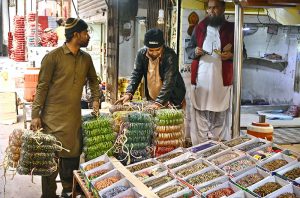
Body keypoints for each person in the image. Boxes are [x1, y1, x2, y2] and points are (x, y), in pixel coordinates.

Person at [30, 18, 100, 198]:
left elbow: (93, 80)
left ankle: (68, 193)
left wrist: (95, 100)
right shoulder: (53, 57)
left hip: (73, 121)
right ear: (76, 35)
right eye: (85, 33)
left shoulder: (86, 59)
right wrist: (35, 114)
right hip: (51, 121)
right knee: (49, 167)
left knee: (71, 164)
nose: (88, 36)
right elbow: (42, 87)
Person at [186, 0, 235, 145]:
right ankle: (199, 149)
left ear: (223, 8)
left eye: (215, 8)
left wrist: (231, 55)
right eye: (209, 8)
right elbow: (189, 49)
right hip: (202, 79)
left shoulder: (232, 28)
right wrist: (194, 51)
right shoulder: (199, 27)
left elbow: (242, 53)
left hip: (222, 81)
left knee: (220, 116)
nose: (212, 11)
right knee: (200, 115)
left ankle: (217, 148)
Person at [115, 28, 186, 109]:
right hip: (153, 99)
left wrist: (159, 102)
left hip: (172, 99)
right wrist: (129, 93)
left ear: (162, 46)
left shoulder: (170, 55)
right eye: (151, 50)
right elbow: (136, 74)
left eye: (158, 50)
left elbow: (169, 81)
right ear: (146, 47)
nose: (154, 53)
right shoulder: (141, 54)